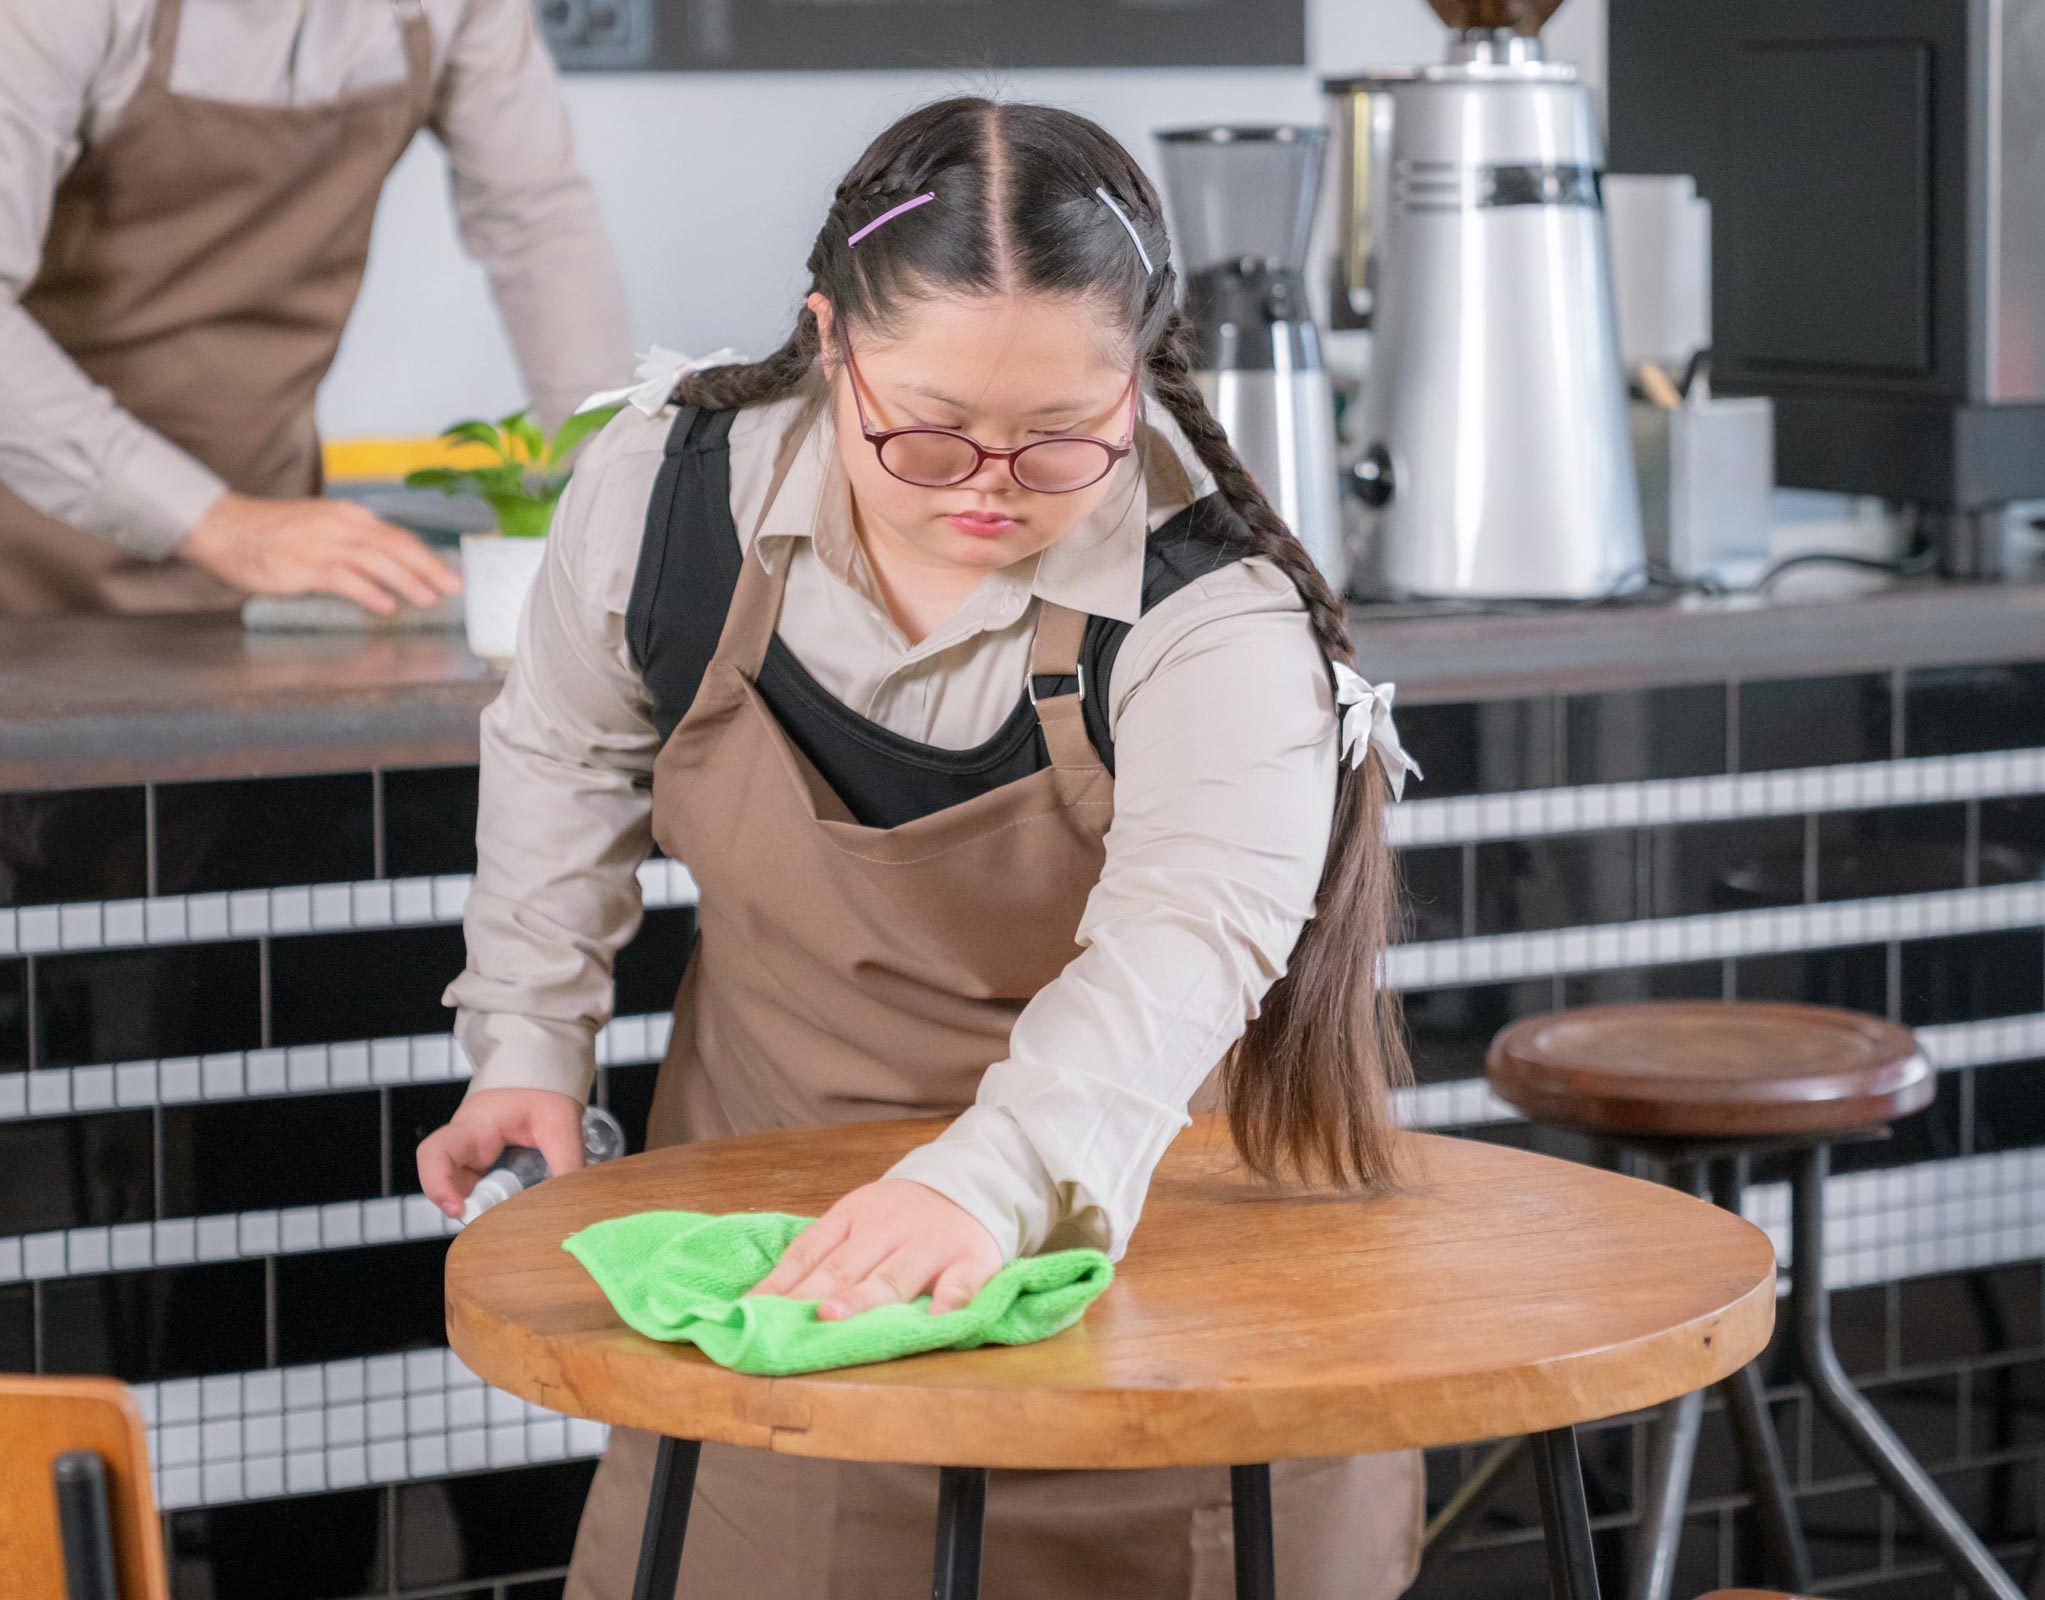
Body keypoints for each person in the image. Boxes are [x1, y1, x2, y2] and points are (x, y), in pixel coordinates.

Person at [421, 97, 1425, 1597]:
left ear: (1138, 378)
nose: (987, 490)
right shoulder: (669, 494)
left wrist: (980, 1188)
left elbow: (1187, 938)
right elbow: (560, 757)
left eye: (1059, 442)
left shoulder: (1212, 611)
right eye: (931, 432)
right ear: (832, 342)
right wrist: (525, 1048)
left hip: (1154, 1262)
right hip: (777, 1260)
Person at [0, 0, 630, 618]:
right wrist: (215, 522)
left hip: (271, 550)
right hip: (13, 558)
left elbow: (538, 221)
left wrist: (618, 494)